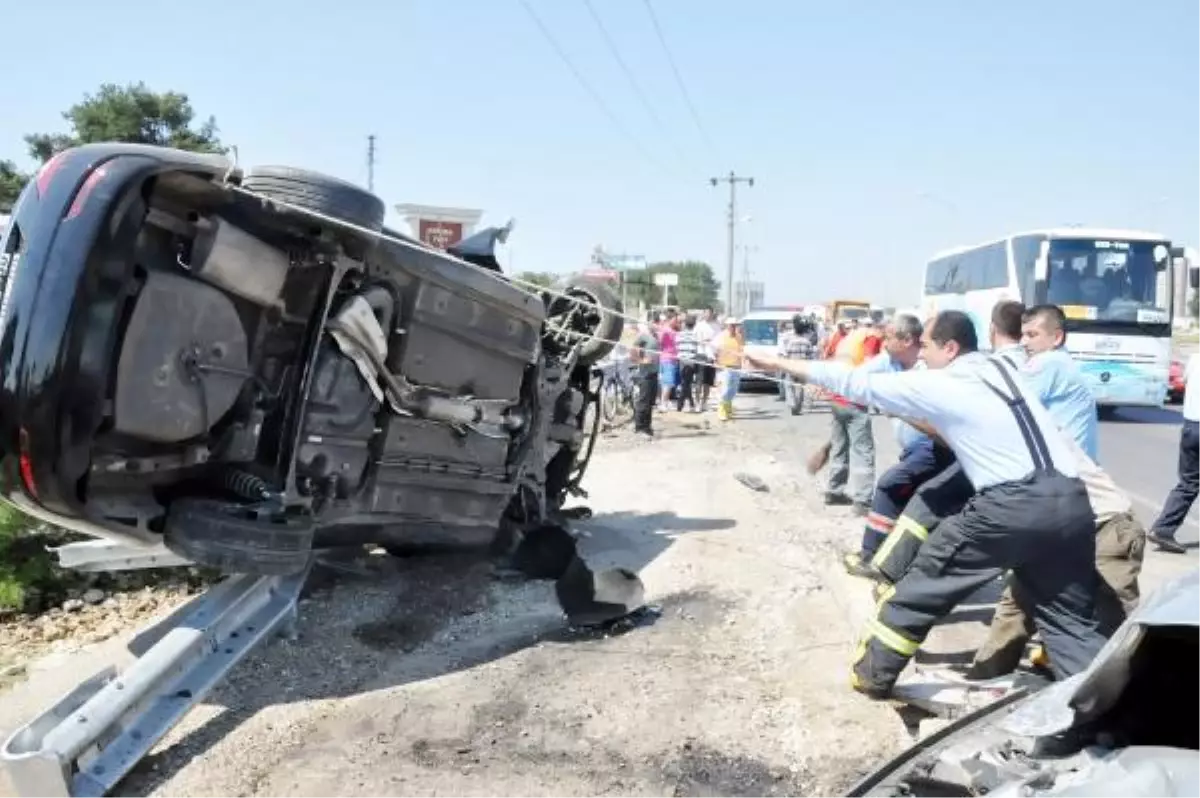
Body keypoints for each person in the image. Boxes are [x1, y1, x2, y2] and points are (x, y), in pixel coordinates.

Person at [745, 310, 1106, 699]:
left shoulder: (947, 382)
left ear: (950, 348)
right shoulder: (1002, 369)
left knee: (926, 582)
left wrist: (776, 362)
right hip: (1072, 501)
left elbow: (854, 381)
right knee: (1070, 620)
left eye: (929, 347)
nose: (922, 357)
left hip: (1013, 503)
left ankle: (872, 675)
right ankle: (1102, 709)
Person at [842, 314, 947, 576]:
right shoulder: (888, 362)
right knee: (912, 502)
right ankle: (900, 561)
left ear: (907, 340)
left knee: (890, 486)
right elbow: (854, 379)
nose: (883, 340)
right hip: (913, 449)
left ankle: (871, 556)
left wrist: (898, 408)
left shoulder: (930, 370)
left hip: (934, 446)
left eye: (889, 337)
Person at [1020, 304, 1099, 461]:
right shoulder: (1062, 360)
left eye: (1032, 335)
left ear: (1057, 337)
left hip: (1062, 469)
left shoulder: (1048, 362)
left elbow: (1011, 407)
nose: (1023, 342)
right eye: (1022, 335)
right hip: (1077, 464)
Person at [823, 317, 885, 514]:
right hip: (853, 401)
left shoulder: (847, 339)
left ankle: (834, 490)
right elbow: (869, 366)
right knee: (863, 450)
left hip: (836, 398)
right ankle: (863, 500)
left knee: (839, 447)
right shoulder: (871, 338)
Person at [1145, 352, 1200, 554]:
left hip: (1190, 426)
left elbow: (1186, 380)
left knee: (1188, 483)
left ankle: (1163, 528)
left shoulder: (1195, 358)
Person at [777, 315, 818, 415]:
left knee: (789, 386)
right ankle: (798, 407)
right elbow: (811, 357)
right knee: (800, 387)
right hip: (802, 368)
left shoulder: (791, 342)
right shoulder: (807, 342)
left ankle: (792, 404)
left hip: (792, 367)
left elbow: (786, 354)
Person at [628, 323, 660, 438]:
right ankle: (641, 428)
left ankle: (646, 427)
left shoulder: (651, 341)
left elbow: (645, 358)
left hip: (650, 374)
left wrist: (637, 359)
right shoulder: (650, 341)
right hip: (646, 375)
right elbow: (646, 359)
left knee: (648, 402)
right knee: (644, 402)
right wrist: (639, 360)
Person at [712, 318, 745, 422]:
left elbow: (742, 351)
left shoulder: (739, 337)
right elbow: (713, 349)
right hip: (724, 367)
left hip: (736, 366)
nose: (734, 327)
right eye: (732, 325)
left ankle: (728, 407)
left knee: (733, 389)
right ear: (727, 326)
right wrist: (715, 359)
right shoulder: (720, 337)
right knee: (725, 389)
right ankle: (722, 410)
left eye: (735, 325)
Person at [693, 308, 719, 412]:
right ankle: (697, 403)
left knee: (708, 382)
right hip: (701, 354)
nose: (707, 315)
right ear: (703, 314)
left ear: (712, 314)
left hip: (711, 356)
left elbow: (719, 340)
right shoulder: (699, 325)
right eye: (706, 313)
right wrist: (702, 341)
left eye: (709, 313)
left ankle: (704, 402)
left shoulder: (716, 326)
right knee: (699, 381)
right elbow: (693, 338)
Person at [675, 315, 700, 412]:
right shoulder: (695, 335)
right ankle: (684, 404)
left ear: (685, 324)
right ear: (694, 325)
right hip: (691, 361)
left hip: (682, 360)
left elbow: (677, 345)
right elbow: (696, 347)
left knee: (685, 383)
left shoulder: (680, 334)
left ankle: (686, 404)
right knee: (686, 383)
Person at [657, 312, 680, 411]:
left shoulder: (671, 330)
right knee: (668, 383)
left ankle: (665, 401)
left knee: (666, 383)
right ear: (670, 319)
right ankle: (663, 403)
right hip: (667, 359)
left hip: (670, 358)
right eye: (675, 320)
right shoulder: (666, 330)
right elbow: (660, 342)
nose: (676, 322)